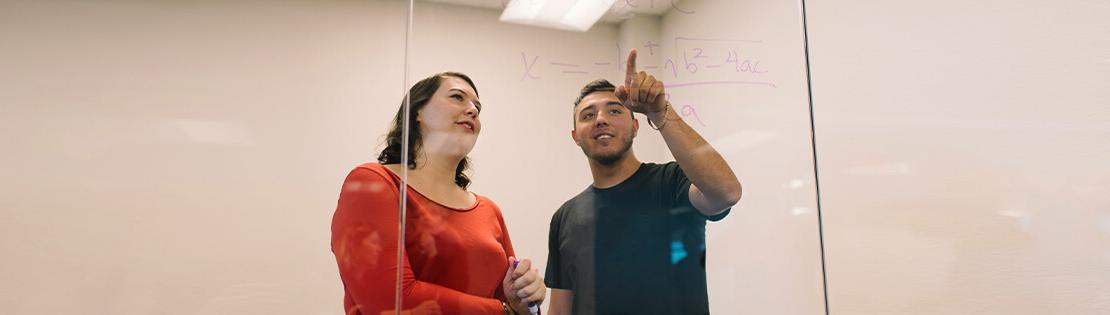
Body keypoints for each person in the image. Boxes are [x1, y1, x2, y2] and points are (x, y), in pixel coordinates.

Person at [545, 49, 742, 315]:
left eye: (614, 111)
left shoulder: (672, 182)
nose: (601, 119)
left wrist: (660, 113)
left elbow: (726, 192)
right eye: (588, 115)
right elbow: (560, 310)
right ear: (575, 136)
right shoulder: (564, 217)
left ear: (636, 126)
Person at [332, 72, 545, 315]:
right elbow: (390, 302)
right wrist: (504, 312)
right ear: (417, 112)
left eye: (478, 107)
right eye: (457, 97)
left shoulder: (489, 210)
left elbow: (513, 304)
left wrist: (526, 304)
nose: (472, 110)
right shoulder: (374, 182)